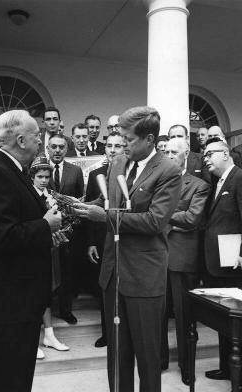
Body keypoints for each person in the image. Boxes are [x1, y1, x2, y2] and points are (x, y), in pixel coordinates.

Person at [73, 106, 182, 392]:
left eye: (128, 139)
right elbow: (108, 201)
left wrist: (104, 217)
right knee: (117, 354)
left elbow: (155, 221)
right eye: (119, 138)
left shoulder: (168, 171)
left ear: (148, 139)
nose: (122, 145)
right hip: (113, 273)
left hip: (145, 276)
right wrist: (84, 207)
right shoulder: (119, 163)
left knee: (147, 355)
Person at [0, 110, 65, 392]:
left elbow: (17, 224)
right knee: (0, 377)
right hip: (6, 299)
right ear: (22, 140)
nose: (41, 140)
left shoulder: (13, 169)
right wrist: (45, 225)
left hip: (19, 297)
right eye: (37, 135)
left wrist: (46, 234)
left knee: (17, 376)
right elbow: (1, 235)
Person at [202, 137, 242, 392]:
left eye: (210, 154)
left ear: (226, 154)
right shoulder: (218, 181)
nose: (205, 158)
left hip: (239, 267)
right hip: (219, 265)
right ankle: (227, 369)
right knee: (225, 322)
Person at [163, 138, 210, 386]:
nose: (169, 155)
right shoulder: (154, 182)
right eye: (166, 151)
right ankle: (160, 360)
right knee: (158, 314)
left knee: (184, 317)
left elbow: (192, 218)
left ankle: (186, 366)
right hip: (155, 256)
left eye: (174, 152)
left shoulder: (199, 185)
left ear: (186, 155)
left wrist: (160, 215)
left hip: (182, 258)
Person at [85, 131, 126, 348]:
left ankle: (123, 335)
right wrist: (91, 242)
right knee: (106, 288)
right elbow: (93, 208)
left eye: (117, 146)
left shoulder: (130, 174)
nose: (112, 149)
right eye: (109, 145)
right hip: (103, 238)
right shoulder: (96, 174)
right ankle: (107, 333)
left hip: (126, 237)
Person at [29, 156, 69, 360]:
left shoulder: (51, 196)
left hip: (50, 249)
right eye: (39, 176)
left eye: (46, 176)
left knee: (47, 291)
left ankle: (49, 335)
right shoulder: (28, 196)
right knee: (33, 293)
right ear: (32, 177)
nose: (44, 180)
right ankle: (31, 340)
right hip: (33, 251)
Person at [47, 134, 84, 324]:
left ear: (66, 149)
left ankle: (65, 310)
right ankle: (45, 310)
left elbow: (80, 199)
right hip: (45, 230)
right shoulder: (39, 168)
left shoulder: (75, 171)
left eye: (61, 147)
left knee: (67, 271)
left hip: (68, 231)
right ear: (48, 148)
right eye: (53, 146)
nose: (57, 150)